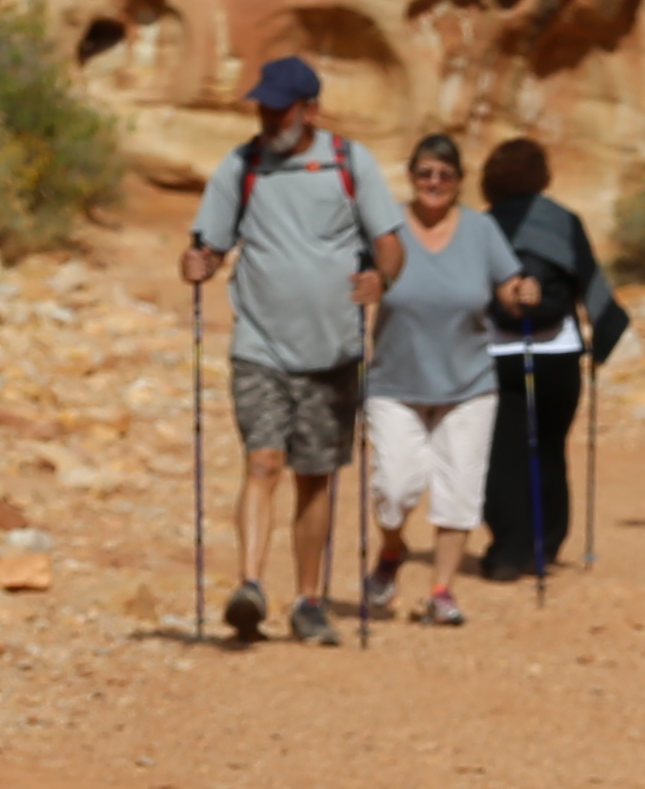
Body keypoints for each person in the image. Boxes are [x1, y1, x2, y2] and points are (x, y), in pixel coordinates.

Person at [181, 56, 406, 647]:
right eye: (263, 104)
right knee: (263, 463)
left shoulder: (350, 162)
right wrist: (198, 264)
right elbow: (210, 245)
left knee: (315, 479)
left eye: (279, 106)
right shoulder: (242, 164)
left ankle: (308, 599)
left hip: (333, 351)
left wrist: (381, 282)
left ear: (310, 109)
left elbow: (389, 245)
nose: (267, 115)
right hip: (259, 345)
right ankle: (249, 585)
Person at [361, 131, 510, 628]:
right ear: (411, 176)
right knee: (395, 486)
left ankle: (442, 591)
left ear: (459, 182)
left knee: (459, 490)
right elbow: (357, 279)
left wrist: (521, 292)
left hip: (468, 383)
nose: (434, 182)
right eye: (425, 173)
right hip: (394, 380)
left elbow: (507, 284)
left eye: (445, 175)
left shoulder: (482, 230)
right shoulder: (386, 229)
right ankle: (391, 551)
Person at [475, 136, 610, 585]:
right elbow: (595, 291)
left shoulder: (483, 226)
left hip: (500, 354)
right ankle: (545, 543)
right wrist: (602, 345)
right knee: (550, 448)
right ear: (542, 177)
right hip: (558, 355)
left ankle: (507, 550)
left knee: (504, 451)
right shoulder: (564, 222)